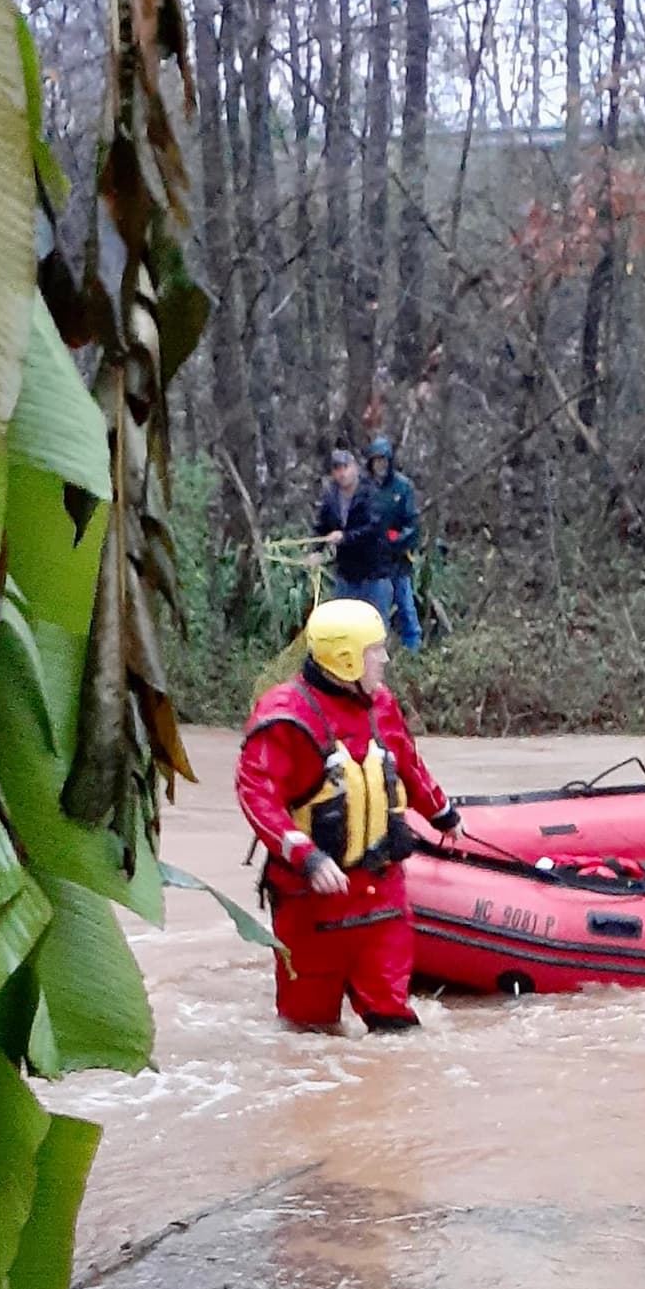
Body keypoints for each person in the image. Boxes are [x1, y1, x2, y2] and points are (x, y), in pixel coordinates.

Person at [235, 599, 463, 1032]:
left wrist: (442, 813)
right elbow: (257, 794)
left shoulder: (380, 704)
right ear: (346, 659)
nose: (385, 659)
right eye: (375, 650)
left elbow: (407, 765)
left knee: (397, 1028)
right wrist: (307, 856)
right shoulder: (285, 718)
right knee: (306, 1031)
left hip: (380, 897)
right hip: (312, 905)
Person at [313, 447, 391, 625]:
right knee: (345, 628)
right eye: (337, 469)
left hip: (373, 574)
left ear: (355, 467)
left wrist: (345, 537)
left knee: (375, 628)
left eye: (345, 467)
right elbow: (321, 527)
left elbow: (374, 528)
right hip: (346, 574)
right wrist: (316, 550)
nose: (342, 474)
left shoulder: (371, 492)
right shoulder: (330, 497)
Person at [366, 435, 423, 652]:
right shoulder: (365, 488)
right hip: (375, 563)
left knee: (406, 607)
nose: (380, 465)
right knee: (378, 612)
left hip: (398, 560)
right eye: (376, 460)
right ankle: (380, 657)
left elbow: (413, 524)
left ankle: (414, 652)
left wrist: (397, 540)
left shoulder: (403, 487)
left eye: (384, 460)